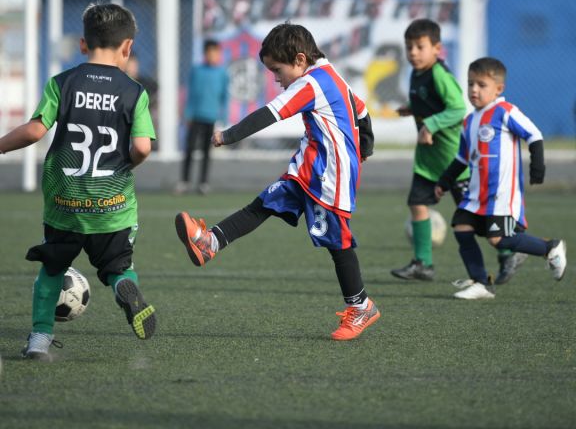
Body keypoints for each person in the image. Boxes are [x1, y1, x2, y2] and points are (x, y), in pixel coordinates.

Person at [175, 22, 380, 341]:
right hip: (309, 167)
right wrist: (365, 143)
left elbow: (269, 114)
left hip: (330, 175)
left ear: (300, 60)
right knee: (266, 202)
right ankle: (210, 242)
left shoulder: (310, 83)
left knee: (337, 241)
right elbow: (361, 110)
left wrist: (228, 135)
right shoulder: (330, 74)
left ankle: (361, 305)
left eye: (277, 70)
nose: (276, 79)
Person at [0, 3, 157, 361]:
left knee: (53, 268)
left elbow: (35, 130)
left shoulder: (63, 83)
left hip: (65, 202)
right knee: (117, 264)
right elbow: (143, 148)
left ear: (83, 44)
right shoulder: (135, 92)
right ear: (128, 47)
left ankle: (39, 339)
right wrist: (127, 162)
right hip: (112, 206)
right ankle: (123, 286)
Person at [390, 19, 525, 284]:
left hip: (455, 161)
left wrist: (430, 123)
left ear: (437, 49)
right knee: (417, 204)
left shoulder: (440, 74)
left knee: (477, 220)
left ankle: (510, 251)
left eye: (420, 46)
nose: (413, 53)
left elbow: (456, 109)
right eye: (409, 47)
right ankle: (423, 264)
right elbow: (430, 103)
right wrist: (413, 108)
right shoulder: (417, 74)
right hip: (428, 162)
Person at [435, 57, 567, 300]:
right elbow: (462, 159)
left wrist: (537, 167)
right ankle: (481, 283)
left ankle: (550, 248)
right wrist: (444, 182)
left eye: (481, 85)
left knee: (499, 240)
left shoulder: (504, 112)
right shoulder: (469, 121)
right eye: (470, 84)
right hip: (475, 194)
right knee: (461, 229)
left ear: (498, 88)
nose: (474, 89)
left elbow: (534, 134)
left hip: (500, 194)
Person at [175, 39, 229, 195]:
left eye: (216, 52)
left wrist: (223, 119)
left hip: (211, 118)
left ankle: (203, 183)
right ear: (205, 53)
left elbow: (224, 97)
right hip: (195, 117)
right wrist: (187, 113)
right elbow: (190, 94)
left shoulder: (222, 73)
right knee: (190, 148)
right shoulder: (196, 70)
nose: (213, 55)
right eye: (210, 52)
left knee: (206, 151)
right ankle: (184, 181)